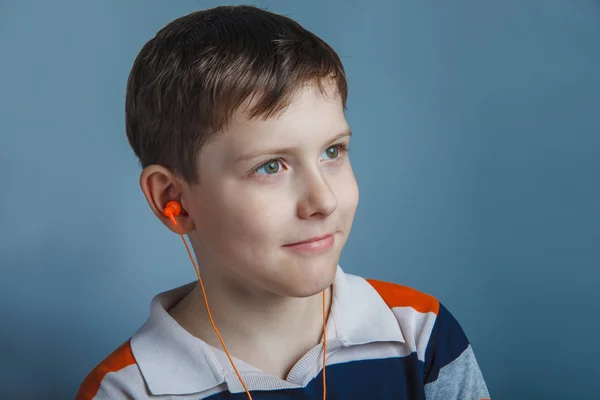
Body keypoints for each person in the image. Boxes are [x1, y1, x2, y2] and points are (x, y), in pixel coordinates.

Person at [76, 5, 490, 400]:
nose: (323, 201)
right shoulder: (126, 391)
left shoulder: (419, 336)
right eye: (271, 166)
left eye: (333, 152)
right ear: (174, 199)